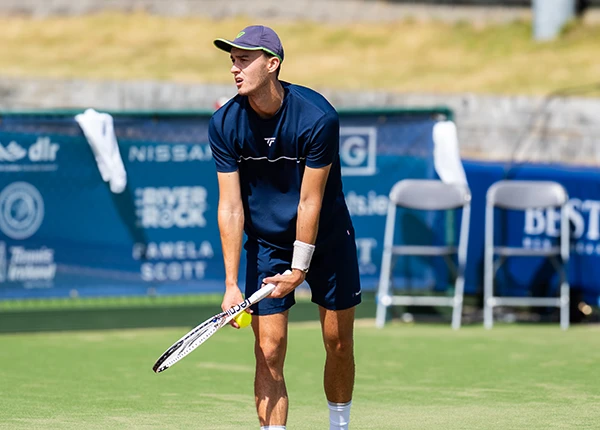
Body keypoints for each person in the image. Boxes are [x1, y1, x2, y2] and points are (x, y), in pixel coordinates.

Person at [209, 25, 361, 430]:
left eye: (244, 60)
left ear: (272, 64)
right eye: (232, 60)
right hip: (266, 243)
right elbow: (230, 206)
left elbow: (310, 200)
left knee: (338, 343)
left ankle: (339, 426)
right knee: (268, 350)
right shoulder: (224, 123)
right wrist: (230, 284)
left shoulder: (318, 118)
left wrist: (300, 267)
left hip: (325, 239)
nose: (234, 69)